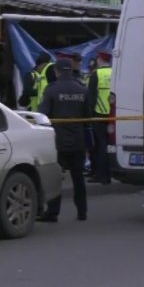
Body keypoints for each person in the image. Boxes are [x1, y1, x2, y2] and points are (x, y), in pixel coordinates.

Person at [38, 57, 92, 222]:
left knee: (56, 178)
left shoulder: (52, 89)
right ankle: (82, 212)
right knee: (78, 178)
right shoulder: (82, 89)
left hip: (58, 141)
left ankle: (53, 213)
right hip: (78, 140)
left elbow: (43, 114)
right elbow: (88, 115)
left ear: (57, 71)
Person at [86, 50, 113, 184]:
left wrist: (89, 115)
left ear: (100, 59)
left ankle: (102, 175)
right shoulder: (115, 72)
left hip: (99, 114)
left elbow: (91, 97)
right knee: (110, 144)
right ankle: (111, 173)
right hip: (113, 114)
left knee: (100, 145)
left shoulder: (96, 74)